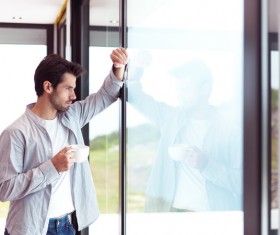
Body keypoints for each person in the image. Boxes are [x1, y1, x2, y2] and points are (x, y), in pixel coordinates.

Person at [0, 47, 128, 235]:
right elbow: (4, 189)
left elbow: (105, 96)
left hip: (67, 226)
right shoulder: (16, 132)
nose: (73, 96)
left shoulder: (72, 116)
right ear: (48, 87)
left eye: (74, 89)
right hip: (30, 229)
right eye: (68, 88)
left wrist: (118, 66)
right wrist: (52, 167)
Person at [127, 54, 242, 212]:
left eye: (186, 89)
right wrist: (137, 69)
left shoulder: (230, 130)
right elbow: (134, 96)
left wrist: (207, 165)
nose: (179, 95)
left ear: (205, 89)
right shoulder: (170, 118)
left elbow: (241, 182)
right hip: (172, 213)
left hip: (213, 217)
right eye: (178, 89)